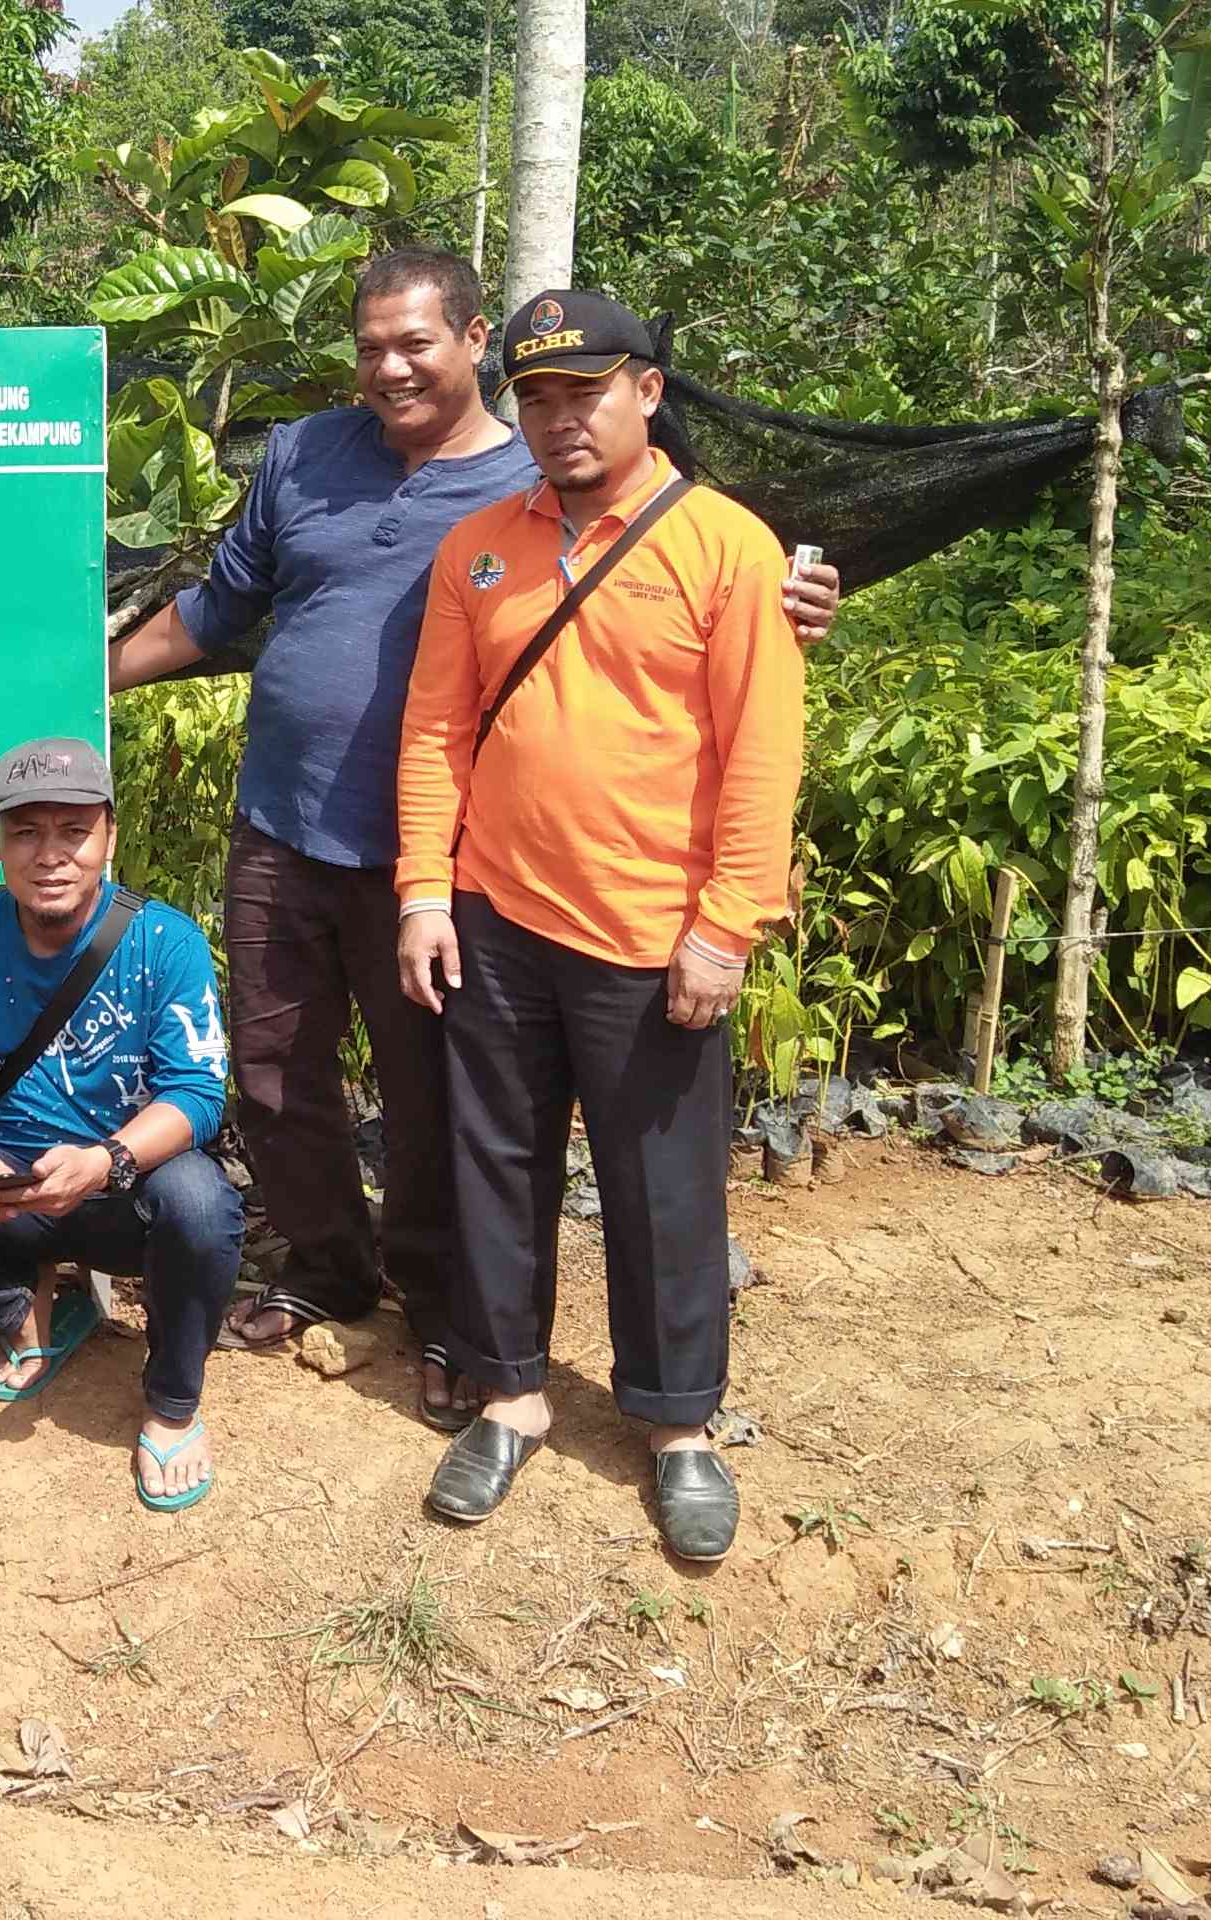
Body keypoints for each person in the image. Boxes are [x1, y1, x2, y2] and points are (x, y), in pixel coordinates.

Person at [108, 246, 836, 1432]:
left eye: (416, 344)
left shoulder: (536, 484)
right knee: (282, 1073)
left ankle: (453, 1314)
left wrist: (799, 600)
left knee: (440, 1098)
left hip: (438, 861)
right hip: (289, 823)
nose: (390, 369)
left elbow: (717, 600)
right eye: (370, 347)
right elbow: (221, 606)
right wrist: (85, 688)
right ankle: (332, 1279)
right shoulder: (313, 458)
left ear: (470, 341)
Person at [392, 289, 807, 1561]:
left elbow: (759, 753)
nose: (561, 418)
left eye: (587, 391)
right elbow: (433, 730)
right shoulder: (477, 548)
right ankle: (509, 1393)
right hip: (499, 921)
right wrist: (422, 888)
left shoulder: (729, 549)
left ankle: (679, 1428)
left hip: (652, 933)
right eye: (539, 396)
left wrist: (728, 924)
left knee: (664, 1191)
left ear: (649, 392)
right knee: (495, 1170)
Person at [0, 737, 241, 1514]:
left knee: (202, 1205)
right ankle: (22, 1304)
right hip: (0, 1193)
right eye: (26, 832)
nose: (50, 855)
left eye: (74, 831)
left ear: (110, 838)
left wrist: (105, 1159)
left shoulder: (167, 943)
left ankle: (171, 1400)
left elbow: (197, 1093)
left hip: (118, 1190)